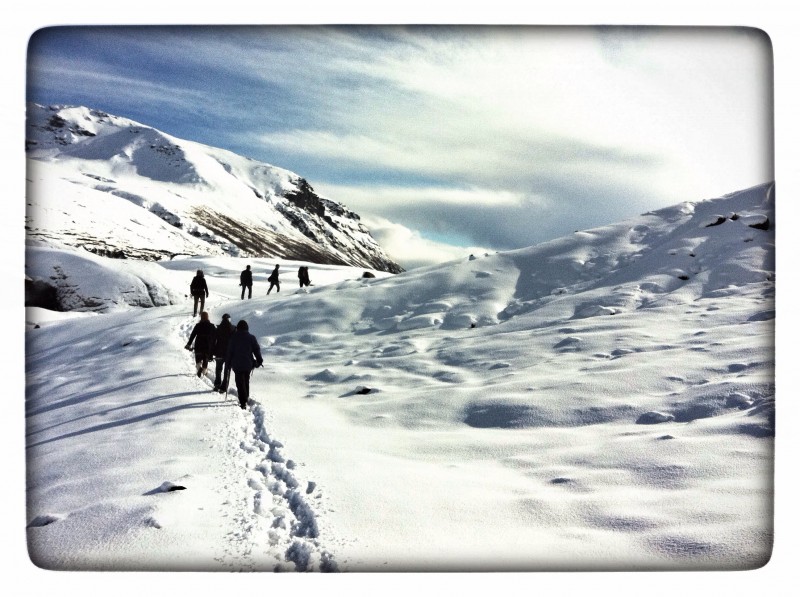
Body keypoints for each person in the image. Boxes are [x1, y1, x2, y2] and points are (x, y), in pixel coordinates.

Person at [226, 319, 263, 409]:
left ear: (238, 328)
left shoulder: (233, 337)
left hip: (237, 364)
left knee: (239, 382)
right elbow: (256, 350)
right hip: (248, 364)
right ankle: (245, 398)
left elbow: (229, 352)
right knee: (246, 380)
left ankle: (243, 402)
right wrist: (259, 360)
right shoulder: (251, 338)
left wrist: (228, 363)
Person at [185, 311, 216, 378]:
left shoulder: (198, 326)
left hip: (199, 345)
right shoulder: (212, 326)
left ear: (201, 317)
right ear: (207, 317)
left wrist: (188, 344)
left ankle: (199, 368)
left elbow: (193, 335)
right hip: (207, 346)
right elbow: (215, 337)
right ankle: (204, 370)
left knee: (198, 360)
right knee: (205, 359)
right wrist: (213, 347)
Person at [212, 313, 234, 392]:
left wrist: (212, 352)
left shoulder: (218, 329)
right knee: (226, 371)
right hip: (229, 353)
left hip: (219, 352)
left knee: (218, 369)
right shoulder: (233, 329)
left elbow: (213, 341)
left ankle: (217, 384)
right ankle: (224, 387)